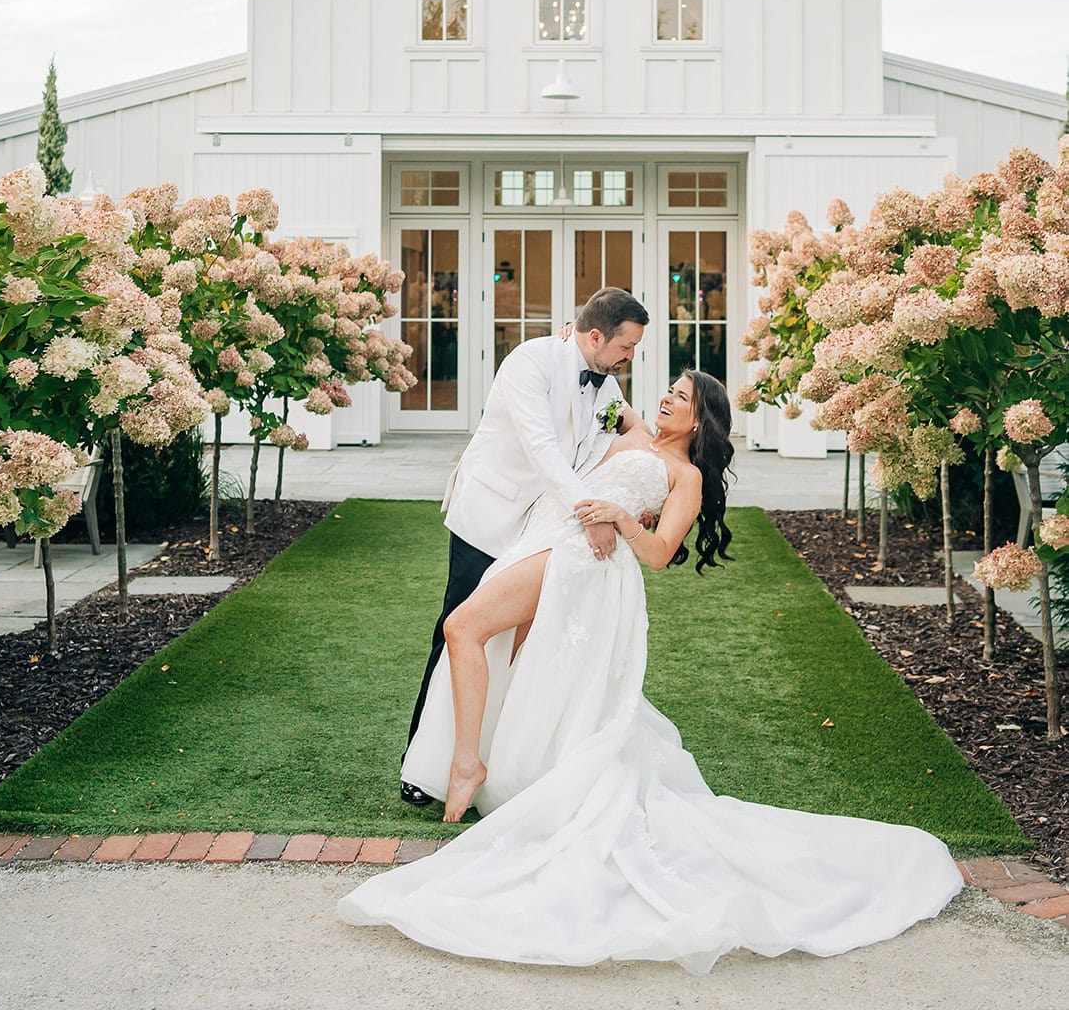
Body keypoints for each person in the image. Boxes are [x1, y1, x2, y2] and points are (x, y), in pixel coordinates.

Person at [341, 369, 964, 975]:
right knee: (513, 659)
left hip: (580, 560)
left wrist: (618, 517)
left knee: (463, 628)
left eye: (682, 396)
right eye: (668, 390)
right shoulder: (632, 432)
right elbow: (596, 391)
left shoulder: (685, 474)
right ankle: (502, 767)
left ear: (701, 420)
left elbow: (663, 553)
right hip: (546, 538)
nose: (666, 398)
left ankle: (467, 763)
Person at [399, 286, 649, 806]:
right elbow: (541, 450)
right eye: (626, 347)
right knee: (457, 628)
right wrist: (589, 511)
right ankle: (421, 767)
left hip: (540, 528)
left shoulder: (605, 383)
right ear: (596, 335)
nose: (630, 358)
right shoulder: (529, 363)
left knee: (517, 640)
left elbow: (629, 428)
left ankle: (502, 756)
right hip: (489, 515)